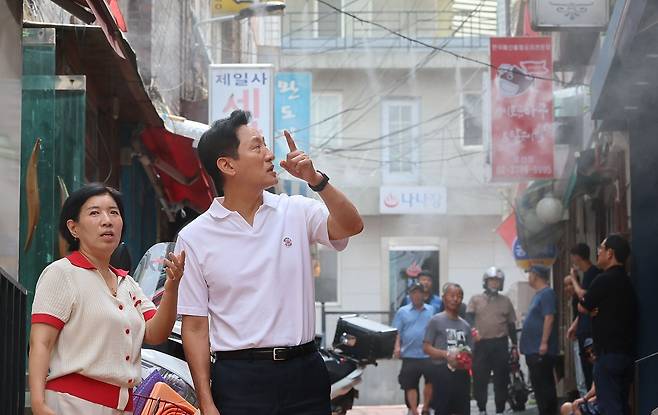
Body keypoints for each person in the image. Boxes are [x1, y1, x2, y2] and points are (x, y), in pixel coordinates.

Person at [175, 110, 363, 415]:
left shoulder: (296, 211)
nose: (269, 154)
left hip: (305, 372)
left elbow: (351, 225)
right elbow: (195, 326)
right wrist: (207, 402)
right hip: (238, 379)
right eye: (257, 146)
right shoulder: (195, 237)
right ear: (227, 165)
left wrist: (316, 181)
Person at [28, 183, 186, 415]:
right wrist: (39, 404)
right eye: (94, 213)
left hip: (123, 406)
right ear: (73, 228)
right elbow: (41, 342)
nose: (107, 220)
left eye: (114, 212)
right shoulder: (61, 273)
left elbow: (155, 334)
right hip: (70, 404)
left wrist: (172, 288)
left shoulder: (128, 283)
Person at [578, 234, 636, 415]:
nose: (598, 253)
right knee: (621, 403)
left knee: (609, 406)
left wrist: (591, 309)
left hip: (608, 354)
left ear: (610, 253)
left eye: (601, 249)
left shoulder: (603, 280)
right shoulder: (627, 281)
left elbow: (582, 305)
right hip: (626, 355)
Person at [467, 266, 518, 415]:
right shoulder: (475, 299)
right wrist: (473, 331)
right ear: (485, 282)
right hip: (481, 344)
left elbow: (511, 325)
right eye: (491, 280)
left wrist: (514, 345)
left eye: (497, 281)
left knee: (501, 378)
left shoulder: (506, 301)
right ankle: (482, 408)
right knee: (479, 377)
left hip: (500, 344)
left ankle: (500, 409)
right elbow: (468, 319)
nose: (494, 283)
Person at [423, 283, 473, 415]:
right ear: (444, 298)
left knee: (463, 410)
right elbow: (426, 347)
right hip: (442, 373)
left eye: (459, 296)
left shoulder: (466, 325)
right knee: (442, 410)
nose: (455, 299)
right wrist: (446, 354)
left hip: (462, 375)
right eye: (452, 295)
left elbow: (470, 351)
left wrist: (465, 357)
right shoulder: (436, 321)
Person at [520, 264, 558, 415]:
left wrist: (543, 342)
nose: (529, 277)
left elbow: (549, 317)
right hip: (533, 350)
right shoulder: (539, 294)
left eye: (530, 274)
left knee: (544, 387)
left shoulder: (547, 293)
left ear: (535, 275)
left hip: (540, 351)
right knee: (538, 386)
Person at [393, 282, 436, 415]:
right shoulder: (402, 312)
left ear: (424, 295)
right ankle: (413, 410)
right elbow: (397, 332)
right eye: (413, 293)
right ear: (410, 295)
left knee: (430, 382)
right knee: (410, 384)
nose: (416, 296)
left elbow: (436, 329)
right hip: (409, 355)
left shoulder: (431, 310)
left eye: (419, 293)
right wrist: (397, 347)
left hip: (428, 354)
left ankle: (426, 408)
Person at [565, 243, 600, 392]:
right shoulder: (588, 274)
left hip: (590, 332)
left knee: (591, 372)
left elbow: (584, 297)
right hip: (583, 329)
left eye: (573, 258)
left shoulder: (593, 273)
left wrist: (573, 279)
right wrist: (574, 325)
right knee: (584, 373)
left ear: (577, 257)